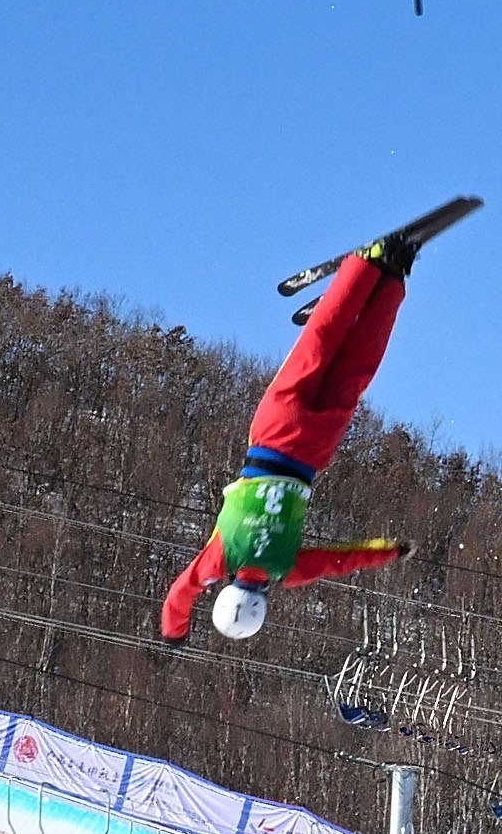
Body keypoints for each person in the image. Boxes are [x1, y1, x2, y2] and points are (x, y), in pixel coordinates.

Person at [160, 226, 450, 641]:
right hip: (273, 432)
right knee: (318, 343)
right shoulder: (218, 560)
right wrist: (174, 632)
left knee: (354, 369)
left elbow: (341, 560)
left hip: (315, 449)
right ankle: (363, 265)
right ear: (224, 593)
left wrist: (390, 552)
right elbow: (180, 594)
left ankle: (393, 278)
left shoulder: (287, 569)